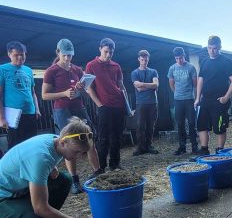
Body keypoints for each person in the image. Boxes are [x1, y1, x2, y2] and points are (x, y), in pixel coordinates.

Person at [0, 117, 94, 218]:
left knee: (64, 180)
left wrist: (52, 167)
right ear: (63, 142)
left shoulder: (55, 139)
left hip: (18, 190)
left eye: (83, 153)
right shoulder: (41, 158)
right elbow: (40, 208)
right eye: (76, 152)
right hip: (4, 197)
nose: (79, 156)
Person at [42, 39, 101, 194]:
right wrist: (64, 93)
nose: (68, 58)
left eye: (70, 55)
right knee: (70, 145)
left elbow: (84, 90)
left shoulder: (77, 69)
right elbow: (44, 95)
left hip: (79, 107)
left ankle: (98, 173)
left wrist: (81, 88)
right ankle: (75, 181)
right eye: (65, 55)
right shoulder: (51, 71)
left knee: (89, 139)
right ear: (58, 53)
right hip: (62, 110)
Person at [86, 38, 129, 173]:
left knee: (117, 135)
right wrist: (100, 105)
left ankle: (115, 163)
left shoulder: (116, 66)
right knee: (103, 137)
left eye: (111, 52)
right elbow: (89, 88)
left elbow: (121, 86)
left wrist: (127, 105)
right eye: (106, 51)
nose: (108, 55)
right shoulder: (91, 65)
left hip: (119, 104)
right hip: (104, 106)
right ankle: (101, 167)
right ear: (100, 49)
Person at [194, 36, 232, 155]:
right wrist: (198, 97)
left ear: (220, 47)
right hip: (205, 100)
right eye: (209, 48)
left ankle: (220, 151)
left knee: (219, 128)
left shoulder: (226, 61)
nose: (212, 51)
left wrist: (226, 97)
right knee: (201, 125)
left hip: (220, 101)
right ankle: (204, 150)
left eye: (214, 48)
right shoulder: (204, 61)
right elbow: (200, 80)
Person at [0, 41, 41, 149]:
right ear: (9, 54)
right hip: (13, 115)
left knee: (31, 144)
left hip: (30, 113)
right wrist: (2, 117)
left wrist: (36, 109)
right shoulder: (2, 69)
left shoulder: (28, 70)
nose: (19, 57)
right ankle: (15, 166)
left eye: (22, 55)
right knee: (15, 146)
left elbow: (32, 92)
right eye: (16, 55)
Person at [168, 47, 199, 155]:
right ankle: (182, 147)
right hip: (178, 100)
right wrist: (177, 93)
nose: (179, 60)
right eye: (176, 58)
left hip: (189, 99)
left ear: (184, 56)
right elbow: (171, 83)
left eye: (180, 58)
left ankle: (195, 147)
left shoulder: (191, 68)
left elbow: (195, 85)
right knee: (180, 124)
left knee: (191, 123)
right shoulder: (172, 68)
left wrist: (196, 98)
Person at [131, 50, 159, 156]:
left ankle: (149, 146)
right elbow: (139, 89)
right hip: (141, 103)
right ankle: (141, 147)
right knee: (140, 126)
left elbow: (156, 85)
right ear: (139, 59)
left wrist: (142, 84)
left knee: (151, 126)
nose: (144, 62)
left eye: (146, 60)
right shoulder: (135, 73)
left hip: (152, 102)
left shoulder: (153, 71)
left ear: (148, 59)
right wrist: (150, 85)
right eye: (142, 60)